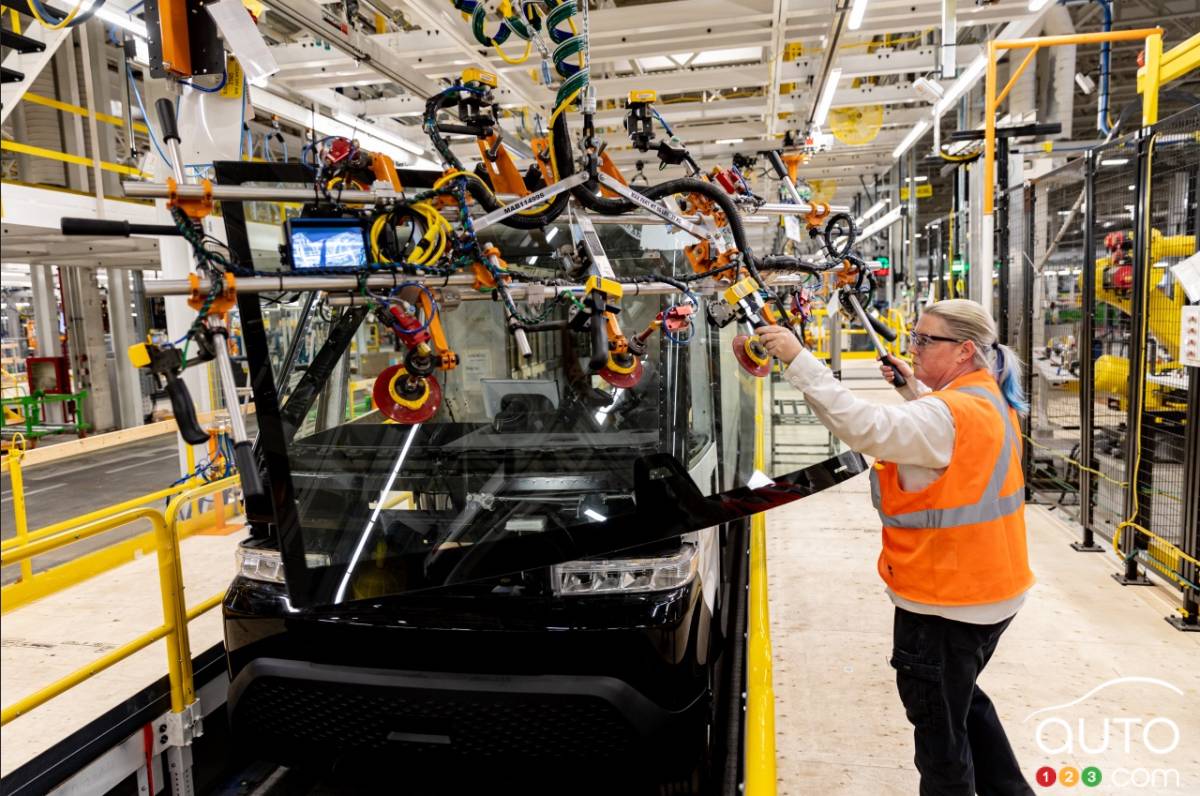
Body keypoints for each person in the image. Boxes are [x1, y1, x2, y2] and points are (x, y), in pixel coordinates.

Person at [756, 299, 1036, 796]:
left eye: (926, 340)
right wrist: (913, 387)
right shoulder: (987, 396)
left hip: (945, 603)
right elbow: (943, 443)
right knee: (962, 704)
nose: (914, 345)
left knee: (940, 742)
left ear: (964, 350)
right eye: (915, 336)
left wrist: (799, 359)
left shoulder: (945, 415)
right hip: (993, 593)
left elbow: (864, 426)